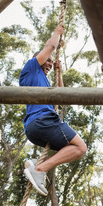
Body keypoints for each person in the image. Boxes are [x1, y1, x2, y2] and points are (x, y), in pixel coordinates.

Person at [19, 24, 87, 196]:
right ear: (38, 59)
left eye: (51, 61)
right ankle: (40, 169)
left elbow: (62, 97)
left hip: (36, 128)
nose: (49, 62)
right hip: (43, 121)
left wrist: (59, 72)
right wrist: (57, 33)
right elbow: (50, 47)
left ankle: (38, 166)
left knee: (75, 149)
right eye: (47, 60)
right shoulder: (31, 69)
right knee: (80, 148)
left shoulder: (44, 82)